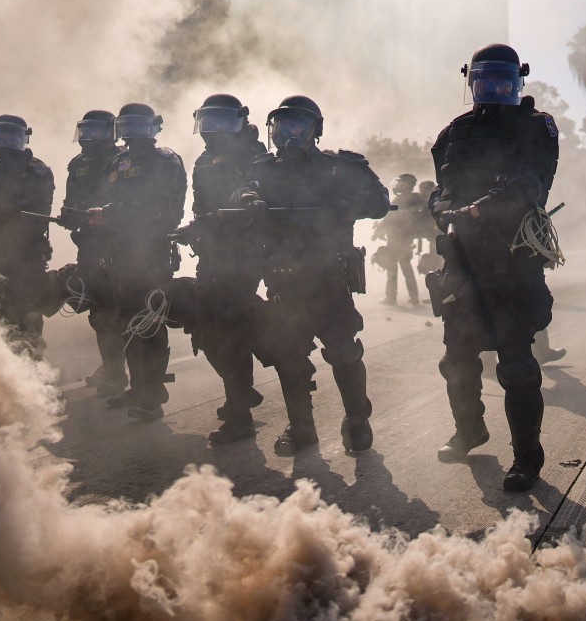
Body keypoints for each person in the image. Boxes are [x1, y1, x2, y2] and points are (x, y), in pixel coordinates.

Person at [428, 43, 560, 492]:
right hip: (462, 265)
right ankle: (471, 431)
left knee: (517, 367)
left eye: (503, 81)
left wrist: (483, 208)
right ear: (472, 82)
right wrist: (442, 210)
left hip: (511, 264)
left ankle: (527, 458)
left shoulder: (535, 126)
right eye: (484, 81)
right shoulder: (454, 132)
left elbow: (532, 183)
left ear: (517, 81)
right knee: (456, 361)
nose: (493, 89)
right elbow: (439, 187)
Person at [234, 95, 390, 453]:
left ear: (314, 130)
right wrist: (247, 199)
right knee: (289, 357)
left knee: (342, 351)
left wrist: (346, 204)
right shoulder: (263, 168)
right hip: (282, 279)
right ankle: (301, 428)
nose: (288, 132)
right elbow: (243, 187)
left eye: (297, 125)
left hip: (329, 279)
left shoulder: (339, 167)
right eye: (282, 125)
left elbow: (379, 200)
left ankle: (357, 419)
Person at [88, 103, 186, 420]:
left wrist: (111, 214)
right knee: (125, 322)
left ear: (154, 127)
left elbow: (157, 206)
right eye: (126, 126)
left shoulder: (164, 161)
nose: (132, 133)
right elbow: (101, 198)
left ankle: (153, 395)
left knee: (149, 321)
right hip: (120, 253)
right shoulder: (117, 161)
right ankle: (138, 386)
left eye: (139, 125)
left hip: (151, 252)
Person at [180, 94, 267, 444]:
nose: (213, 130)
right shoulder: (203, 160)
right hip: (211, 255)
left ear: (240, 121)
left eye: (222, 122)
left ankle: (240, 415)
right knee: (203, 328)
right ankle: (242, 392)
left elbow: (254, 205)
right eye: (208, 122)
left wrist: (214, 224)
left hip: (242, 257)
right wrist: (194, 230)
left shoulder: (255, 156)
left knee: (231, 334)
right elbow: (202, 208)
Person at [0, 114, 56, 359]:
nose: (6, 141)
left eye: (12, 135)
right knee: (5, 311)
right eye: (1, 134)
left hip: (28, 253)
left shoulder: (38, 171)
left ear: (23, 138)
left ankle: (34, 368)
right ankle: (11, 366)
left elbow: (38, 211)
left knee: (29, 310)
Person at [63, 110, 129, 396]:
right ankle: (112, 367)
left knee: (123, 309)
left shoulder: (124, 160)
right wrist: (69, 215)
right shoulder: (77, 164)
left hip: (120, 245)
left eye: (98, 132)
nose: (90, 138)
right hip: (89, 245)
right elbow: (70, 200)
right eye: (86, 131)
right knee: (100, 312)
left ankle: (124, 373)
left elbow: (131, 202)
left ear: (112, 132)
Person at [373, 173, 421, 306]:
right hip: (400, 239)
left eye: (401, 182)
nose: (398, 185)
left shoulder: (409, 199)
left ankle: (392, 298)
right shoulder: (407, 198)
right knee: (402, 269)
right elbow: (390, 217)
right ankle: (410, 298)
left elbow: (392, 217)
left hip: (400, 240)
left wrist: (380, 230)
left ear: (407, 185)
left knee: (396, 269)